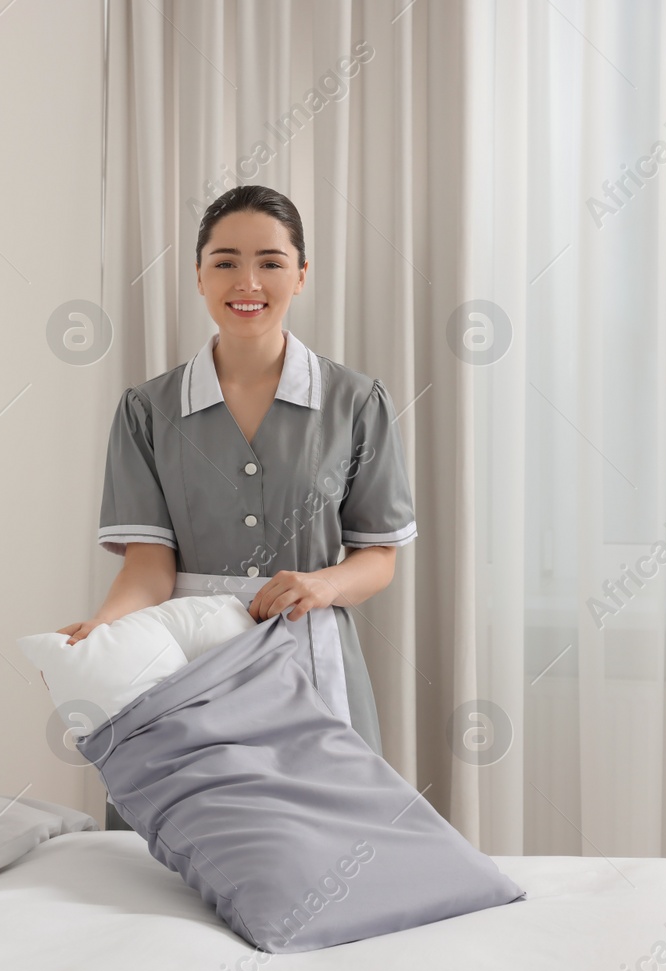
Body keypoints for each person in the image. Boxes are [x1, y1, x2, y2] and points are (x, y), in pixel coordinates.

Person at [60, 184, 416, 755]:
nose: (247, 283)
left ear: (300, 274)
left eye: (270, 263)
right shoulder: (147, 411)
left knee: (320, 832)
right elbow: (150, 566)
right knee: (182, 829)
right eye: (225, 262)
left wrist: (322, 584)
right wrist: (103, 630)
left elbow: (379, 557)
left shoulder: (357, 402)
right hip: (182, 661)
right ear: (199, 275)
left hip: (310, 657)